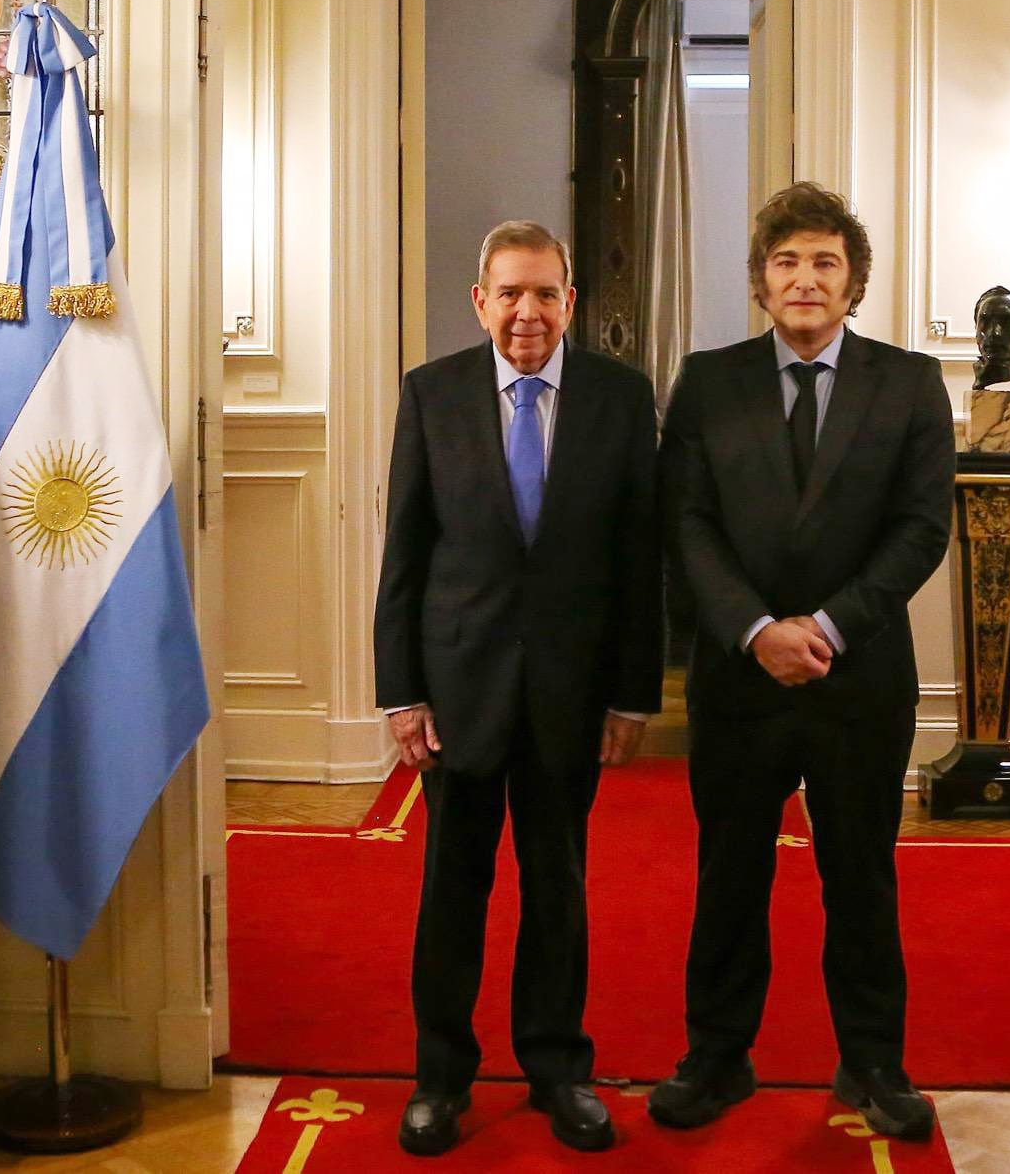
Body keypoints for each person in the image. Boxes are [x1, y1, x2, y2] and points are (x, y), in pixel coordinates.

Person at [650, 182, 955, 1139]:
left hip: (856, 676)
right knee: (728, 872)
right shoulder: (706, 380)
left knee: (859, 873)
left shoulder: (909, 382)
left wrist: (823, 625)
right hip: (738, 677)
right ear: (760, 281)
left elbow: (918, 530)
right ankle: (715, 1056)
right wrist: (754, 630)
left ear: (853, 280)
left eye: (825, 261)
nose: (805, 278)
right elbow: (685, 523)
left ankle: (871, 1060)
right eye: (786, 261)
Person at [374, 220, 662, 1156]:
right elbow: (405, 555)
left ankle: (556, 1070)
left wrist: (631, 693)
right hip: (457, 695)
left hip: (570, 696)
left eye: (545, 293)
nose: (527, 312)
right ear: (480, 301)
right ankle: (439, 1078)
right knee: (450, 892)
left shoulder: (620, 399)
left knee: (558, 889)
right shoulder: (432, 395)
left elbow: (636, 558)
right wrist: (400, 692)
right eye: (510, 293)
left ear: (569, 301)